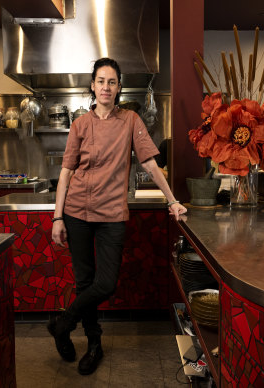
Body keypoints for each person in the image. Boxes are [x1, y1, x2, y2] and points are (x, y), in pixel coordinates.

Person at [49, 58, 187, 375]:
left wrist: (173, 200)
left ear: (119, 87)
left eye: (112, 82)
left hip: (112, 213)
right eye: (101, 81)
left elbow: (151, 164)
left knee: (106, 283)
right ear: (93, 86)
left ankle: (62, 323)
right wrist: (58, 218)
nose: (106, 87)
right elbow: (66, 172)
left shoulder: (130, 120)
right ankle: (93, 344)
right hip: (77, 212)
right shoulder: (81, 125)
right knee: (85, 282)